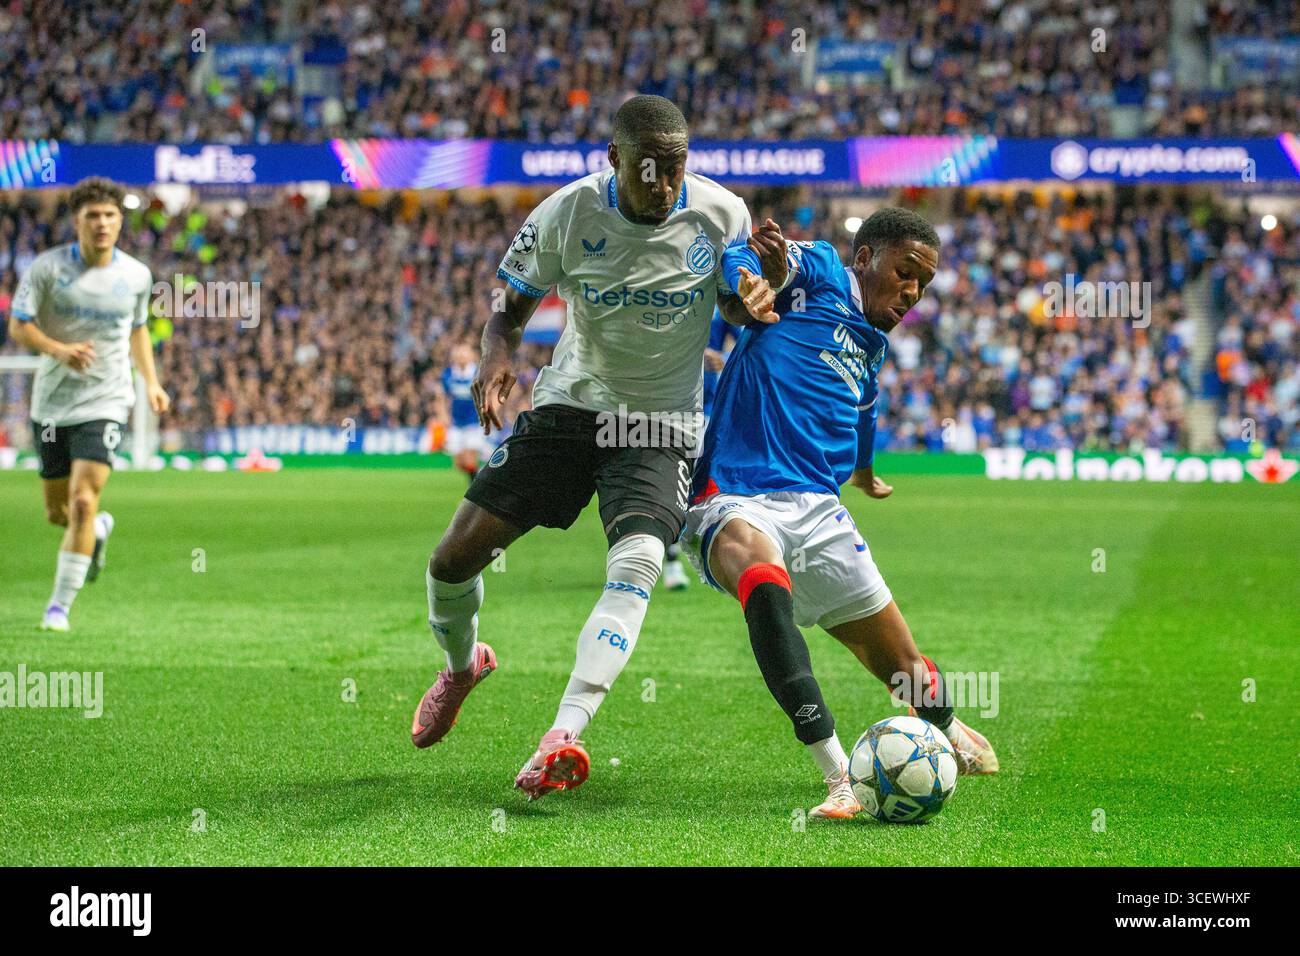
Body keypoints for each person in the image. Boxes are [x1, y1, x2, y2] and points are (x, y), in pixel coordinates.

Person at [409, 95, 776, 799]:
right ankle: (461, 665)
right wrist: (495, 360)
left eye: (675, 168)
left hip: (661, 422)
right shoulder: (566, 214)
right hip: (572, 406)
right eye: (648, 169)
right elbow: (507, 310)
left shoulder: (721, 213)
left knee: (638, 559)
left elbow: (731, 303)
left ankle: (562, 735)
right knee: (452, 560)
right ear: (614, 159)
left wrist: (754, 297)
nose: (663, 184)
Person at [686, 209, 998, 819]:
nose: (911, 291)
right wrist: (753, 277)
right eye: (904, 272)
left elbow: (864, 413)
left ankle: (949, 727)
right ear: (865, 260)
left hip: (820, 510)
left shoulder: (869, 345)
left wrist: (863, 472)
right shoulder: (825, 272)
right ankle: (837, 776)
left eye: (922, 285)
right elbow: (746, 255)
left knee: (906, 670)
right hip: (735, 492)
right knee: (762, 580)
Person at [6, 177, 169, 632]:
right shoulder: (46, 269)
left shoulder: (137, 275)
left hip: (108, 400)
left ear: (120, 222)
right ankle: (95, 534)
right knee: (59, 513)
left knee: (82, 500)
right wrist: (60, 350)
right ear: (76, 221)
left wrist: (151, 383)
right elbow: (20, 327)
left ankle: (58, 607)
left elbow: (138, 330)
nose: (102, 223)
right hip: (53, 403)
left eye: (110, 216)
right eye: (92, 216)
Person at [440, 343, 492, 482]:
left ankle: (475, 487)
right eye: (458, 354)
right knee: (459, 464)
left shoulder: (478, 373)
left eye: (464, 354)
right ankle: (483, 469)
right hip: (456, 421)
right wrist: (444, 414)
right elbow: (445, 396)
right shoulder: (448, 374)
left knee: (469, 460)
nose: (461, 357)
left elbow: (489, 392)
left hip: (474, 421)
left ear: (471, 356)